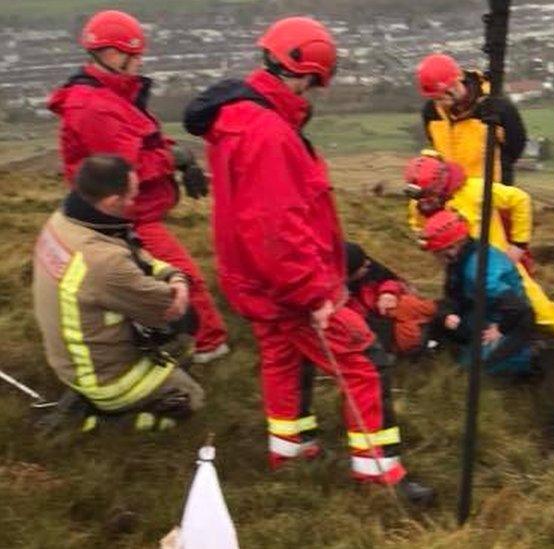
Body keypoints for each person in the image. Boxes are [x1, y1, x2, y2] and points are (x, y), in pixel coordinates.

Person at [182, 16, 432, 502]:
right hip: (289, 282)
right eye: (316, 83)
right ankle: (378, 472)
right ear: (306, 73)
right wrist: (315, 294)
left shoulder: (236, 119)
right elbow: (276, 228)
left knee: (282, 357)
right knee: (364, 360)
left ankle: (291, 450)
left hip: (255, 280)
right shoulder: (269, 133)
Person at [47, 10, 229, 364]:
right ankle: (209, 346)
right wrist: (173, 160)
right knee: (182, 278)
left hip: (129, 212)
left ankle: (166, 341)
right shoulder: (94, 106)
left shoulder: (111, 95)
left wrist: (179, 155)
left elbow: (139, 140)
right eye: (136, 55)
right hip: (124, 215)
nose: (140, 62)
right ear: (113, 55)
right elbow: (122, 170)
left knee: (148, 284)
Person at [32, 155, 204, 432]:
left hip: (66, 360)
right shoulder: (105, 262)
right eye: (131, 197)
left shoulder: (64, 221)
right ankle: (102, 421)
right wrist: (179, 284)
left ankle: (86, 397)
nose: (134, 203)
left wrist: (172, 274)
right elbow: (170, 308)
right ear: (112, 201)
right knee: (190, 392)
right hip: (104, 377)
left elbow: (135, 255)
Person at [403, 151, 554, 355]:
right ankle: (510, 347)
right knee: (469, 314)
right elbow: (418, 225)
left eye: (428, 194)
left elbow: (519, 200)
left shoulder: (475, 190)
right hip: (460, 271)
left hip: (498, 268)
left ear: (440, 182)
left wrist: (518, 244)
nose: (424, 201)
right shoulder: (419, 205)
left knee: (544, 314)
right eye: (420, 197)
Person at [420, 211, 536, 376]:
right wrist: (448, 314)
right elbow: (453, 295)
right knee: (439, 321)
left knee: (473, 371)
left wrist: (501, 330)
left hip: (513, 320)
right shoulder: (460, 258)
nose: (434, 257)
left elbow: (517, 307)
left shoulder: (478, 272)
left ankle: (526, 361)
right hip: (484, 310)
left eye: (437, 252)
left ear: (453, 247)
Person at [416, 52, 526, 186]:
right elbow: (436, 146)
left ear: (457, 80)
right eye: (436, 98)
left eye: (443, 95)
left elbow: (516, 145)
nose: (441, 102)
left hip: (492, 194)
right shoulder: (431, 112)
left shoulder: (496, 107)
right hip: (453, 195)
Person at [345, 241, 439, 357]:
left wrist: (387, 293)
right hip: (376, 329)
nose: (368, 263)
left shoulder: (365, 267)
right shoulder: (337, 297)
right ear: (350, 274)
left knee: (413, 306)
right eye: (363, 265)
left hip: (386, 305)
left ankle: (438, 320)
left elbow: (389, 278)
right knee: (408, 335)